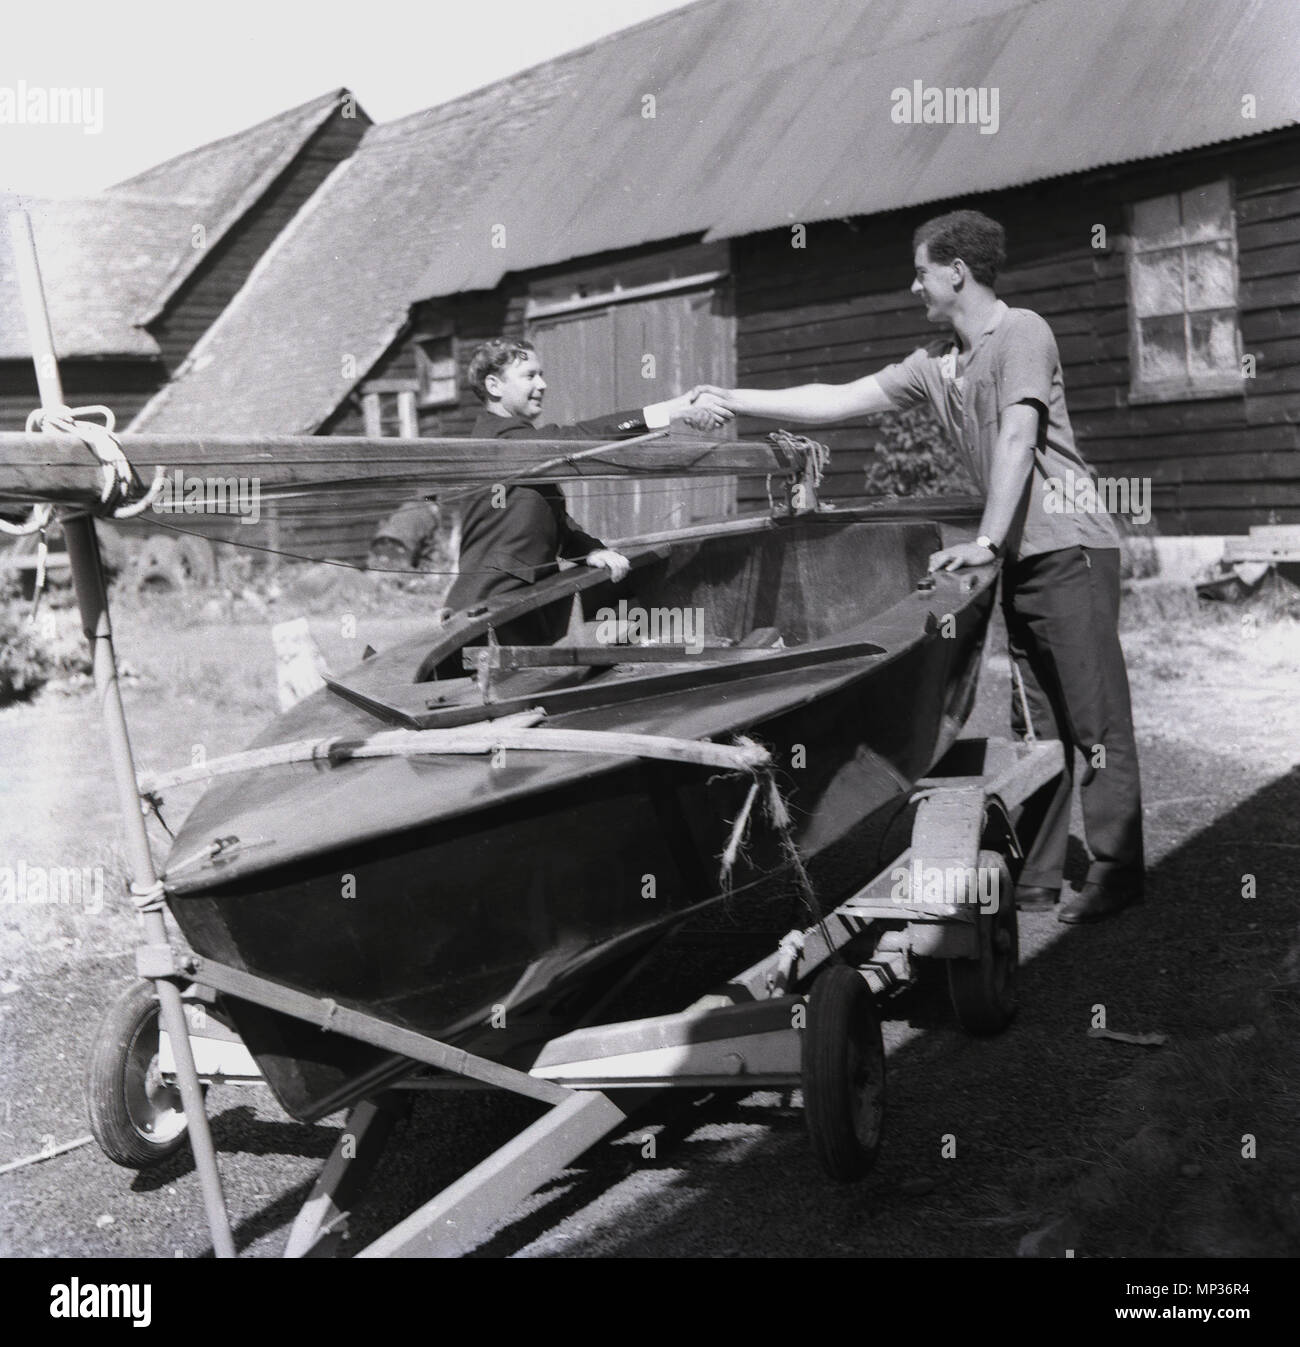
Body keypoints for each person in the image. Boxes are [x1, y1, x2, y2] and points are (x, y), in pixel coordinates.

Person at [689, 210, 1143, 924]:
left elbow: (1020, 436)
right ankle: (1043, 874)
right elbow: (836, 400)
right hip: (1020, 553)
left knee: (1093, 717)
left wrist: (988, 541)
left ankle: (1118, 870)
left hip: (1069, 545)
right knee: (1043, 720)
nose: (913, 285)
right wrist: (730, 397)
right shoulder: (936, 364)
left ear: (955, 271)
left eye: (921, 270)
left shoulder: (1021, 332)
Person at [442, 337, 710, 646]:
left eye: (541, 374)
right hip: (488, 611)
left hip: (518, 606)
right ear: (494, 385)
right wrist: (671, 410)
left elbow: (551, 519)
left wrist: (591, 550)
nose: (542, 384)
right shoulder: (499, 438)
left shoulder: (518, 442)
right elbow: (576, 439)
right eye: (529, 375)